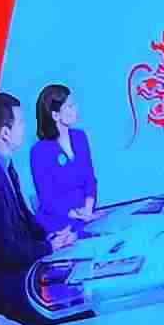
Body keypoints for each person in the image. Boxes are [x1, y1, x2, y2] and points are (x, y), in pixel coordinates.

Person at [0, 92, 73, 325]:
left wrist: (51, 236)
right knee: (74, 309)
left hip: (14, 270)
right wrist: (50, 247)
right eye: (20, 123)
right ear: (5, 133)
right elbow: (7, 251)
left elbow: (24, 218)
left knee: (75, 285)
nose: (24, 128)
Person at [26, 82, 101, 235]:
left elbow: (90, 179)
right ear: (55, 115)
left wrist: (88, 208)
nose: (76, 109)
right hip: (59, 224)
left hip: (86, 217)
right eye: (70, 106)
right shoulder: (39, 151)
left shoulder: (80, 137)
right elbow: (47, 199)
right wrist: (75, 214)